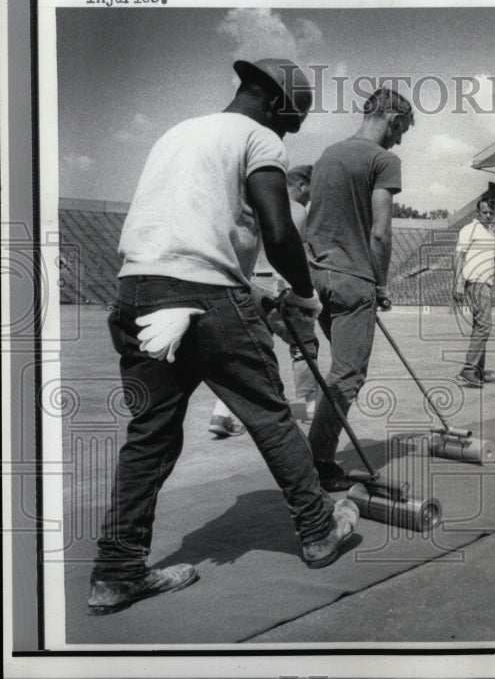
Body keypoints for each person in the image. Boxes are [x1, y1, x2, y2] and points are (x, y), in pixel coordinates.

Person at [89, 59, 360, 617]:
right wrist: (304, 291)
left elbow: (188, 229)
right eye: (294, 120)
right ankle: (318, 529)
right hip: (208, 295)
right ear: (277, 105)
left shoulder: (176, 133)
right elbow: (278, 232)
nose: (292, 133)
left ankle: (116, 572)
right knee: (268, 413)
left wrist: (247, 289)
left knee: (150, 434)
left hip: (137, 291)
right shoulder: (259, 137)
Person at [304, 87, 414, 492]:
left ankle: (313, 452)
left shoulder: (328, 154)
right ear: (391, 118)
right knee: (347, 375)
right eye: (401, 129)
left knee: (337, 369)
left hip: (318, 276)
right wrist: (381, 284)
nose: (399, 139)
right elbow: (381, 233)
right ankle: (316, 462)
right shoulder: (383, 159)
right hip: (353, 279)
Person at [207, 165, 318, 437]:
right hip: (279, 285)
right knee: (304, 345)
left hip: (251, 282)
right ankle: (313, 409)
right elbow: (293, 252)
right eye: (309, 193)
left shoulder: (259, 203)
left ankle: (221, 413)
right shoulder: (297, 209)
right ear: (301, 185)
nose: (309, 200)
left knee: (250, 351)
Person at [453, 196, 495, 387]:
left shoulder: (491, 234)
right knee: (484, 326)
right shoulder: (469, 229)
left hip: (486, 283)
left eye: (491, 213)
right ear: (477, 213)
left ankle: (477, 370)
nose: (488, 216)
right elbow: (459, 255)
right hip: (475, 282)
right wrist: (458, 282)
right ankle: (469, 369)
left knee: (481, 327)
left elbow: (493, 263)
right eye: (485, 212)